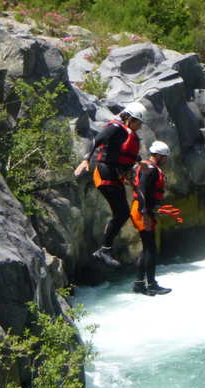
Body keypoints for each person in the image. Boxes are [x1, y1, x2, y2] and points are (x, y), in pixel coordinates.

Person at [74, 102, 148, 268]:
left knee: (122, 213)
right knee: (122, 213)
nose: (139, 127)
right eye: (138, 123)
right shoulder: (115, 128)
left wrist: (140, 163)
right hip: (105, 173)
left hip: (116, 176)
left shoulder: (129, 134)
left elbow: (126, 153)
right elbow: (94, 142)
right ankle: (103, 250)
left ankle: (104, 250)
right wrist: (86, 159)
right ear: (129, 118)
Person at [130, 141, 173, 296]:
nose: (167, 161)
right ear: (158, 156)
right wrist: (146, 214)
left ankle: (139, 283)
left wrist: (153, 209)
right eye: (165, 157)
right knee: (151, 249)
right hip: (142, 212)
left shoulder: (149, 168)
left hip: (142, 210)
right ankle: (151, 285)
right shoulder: (150, 170)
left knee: (147, 248)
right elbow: (141, 191)